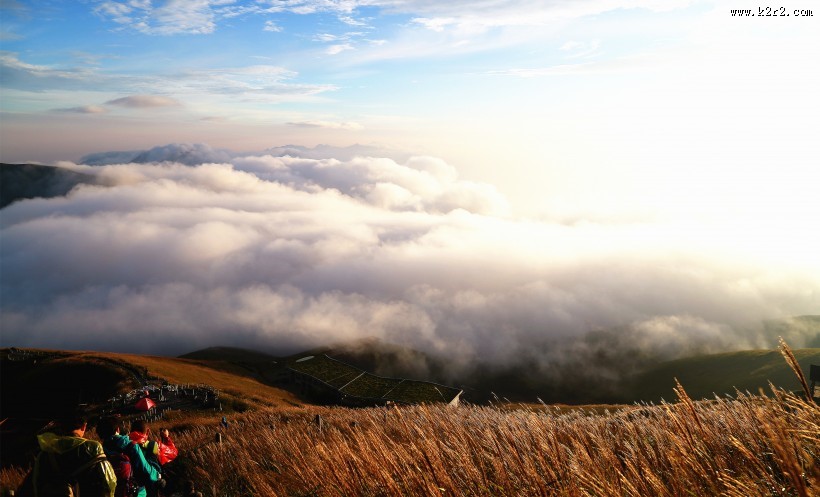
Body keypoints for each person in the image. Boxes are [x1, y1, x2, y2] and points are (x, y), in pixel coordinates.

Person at [16, 411, 117, 497]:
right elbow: (108, 483)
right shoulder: (93, 448)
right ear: (84, 426)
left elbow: (34, 485)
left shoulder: (46, 452)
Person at [97, 417, 160, 497]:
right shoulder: (130, 446)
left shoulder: (100, 450)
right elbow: (145, 470)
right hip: (134, 492)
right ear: (118, 429)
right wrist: (157, 475)